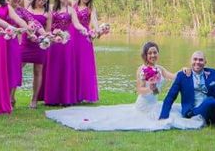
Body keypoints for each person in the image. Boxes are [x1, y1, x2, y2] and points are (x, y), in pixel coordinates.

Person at [46, 42, 204, 131]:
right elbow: (140, 90)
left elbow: (174, 77)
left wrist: (183, 70)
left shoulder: (160, 68)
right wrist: (151, 87)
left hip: (154, 105)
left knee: (172, 112)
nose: (153, 55)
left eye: (155, 52)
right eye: (150, 53)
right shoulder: (141, 70)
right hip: (143, 106)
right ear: (145, 55)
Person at [160, 51, 215, 132]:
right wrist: (163, 118)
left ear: (205, 62)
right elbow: (170, 97)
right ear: (190, 61)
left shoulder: (212, 73)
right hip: (194, 111)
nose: (197, 62)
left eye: (201, 60)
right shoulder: (182, 76)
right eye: (195, 59)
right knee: (209, 100)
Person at [43, 0, 88, 106]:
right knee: (54, 69)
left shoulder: (71, 10)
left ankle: (66, 99)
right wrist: (51, 35)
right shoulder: (52, 8)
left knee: (67, 68)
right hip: (54, 42)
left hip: (67, 43)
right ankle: (52, 99)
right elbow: (48, 28)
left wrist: (83, 29)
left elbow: (77, 24)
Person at [19, 0, 52, 108]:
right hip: (25, 42)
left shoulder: (48, 12)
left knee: (38, 71)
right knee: (17, 68)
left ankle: (34, 100)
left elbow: (48, 30)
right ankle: (11, 97)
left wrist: (46, 40)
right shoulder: (27, 5)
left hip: (39, 44)